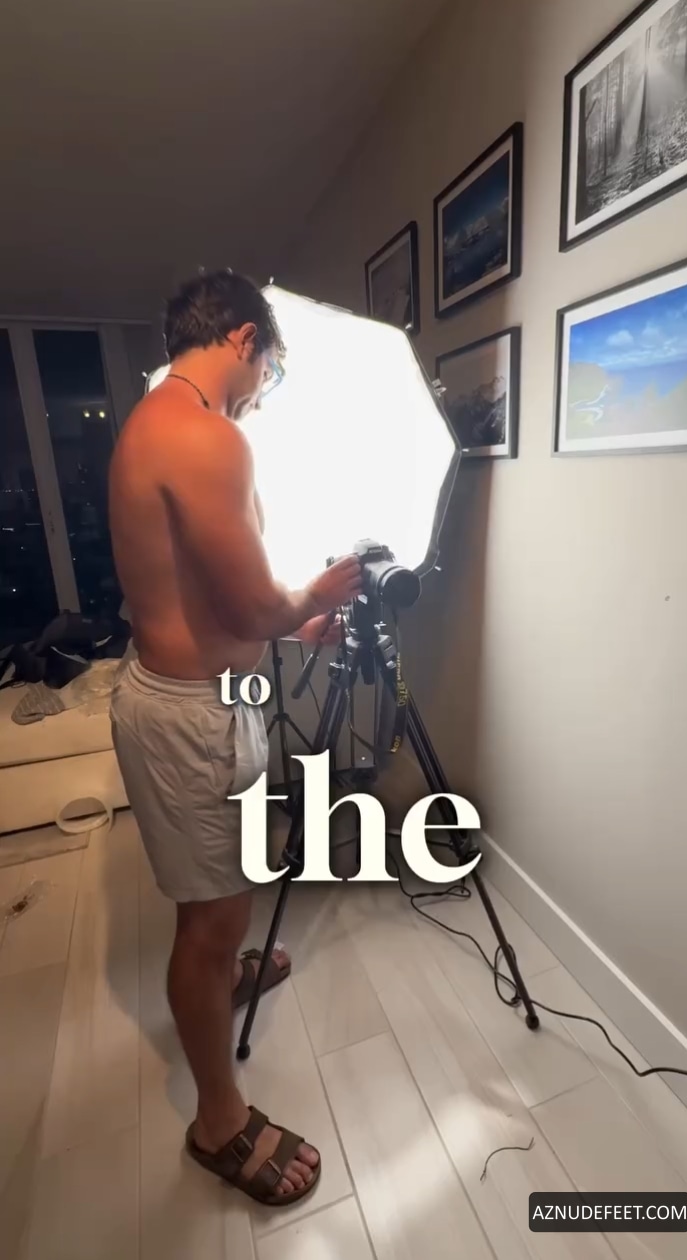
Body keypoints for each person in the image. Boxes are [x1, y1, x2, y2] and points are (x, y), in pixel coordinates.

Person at [108, 270, 362, 1207]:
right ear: (247, 341)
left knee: (226, 898)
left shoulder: (159, 424)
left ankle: (225, 975)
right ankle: (218, 1123)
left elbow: (209, 594)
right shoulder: (206, 435)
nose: (264, 393)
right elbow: (254, 603)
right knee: (210, 919)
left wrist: (291, 625)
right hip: (189, 715)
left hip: (198, 696)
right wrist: (313, 595)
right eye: (272, 373)